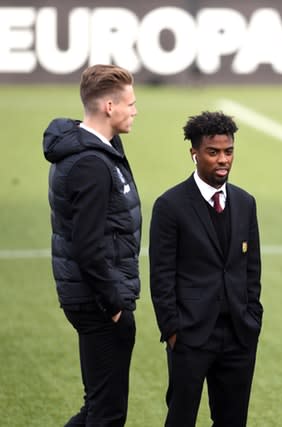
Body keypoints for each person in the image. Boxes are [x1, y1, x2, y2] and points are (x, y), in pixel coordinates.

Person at [149, 111, 263, 427]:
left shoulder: (245, 202)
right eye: (213, 152)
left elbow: (251, 269)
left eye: (228, 152)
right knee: (181, 418)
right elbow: (160, 275)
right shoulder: (170, 205)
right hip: (190, 335)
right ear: (194, 153)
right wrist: (172, 330)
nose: (222, 159)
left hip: (239, 334)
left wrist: (252, 317)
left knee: (232, 420)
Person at [43, 64, 140, 426]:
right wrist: (114, 305)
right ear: (109, 107)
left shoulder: (98, 148)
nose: (135, 110)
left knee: (96, 408)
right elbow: (88, 246)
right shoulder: (90, 163)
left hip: (94, 297)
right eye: (130, 103)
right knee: (107, 414)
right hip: (99, 301)